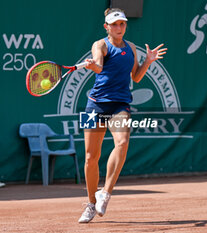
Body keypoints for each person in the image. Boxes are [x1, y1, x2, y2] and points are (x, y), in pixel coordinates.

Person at [78, 8, 167, 223]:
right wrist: (93, 66)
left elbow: (136, 77)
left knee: (122, 142)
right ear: (106, 27)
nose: (119, 27)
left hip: (120, 104)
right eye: (114, 24)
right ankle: (91, 203)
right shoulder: (100, 45)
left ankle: (105, 193)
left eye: (122, 24)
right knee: (91, 158)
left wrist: (148, 61)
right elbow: (99, 65)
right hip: (95, 105)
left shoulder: (132, 48)